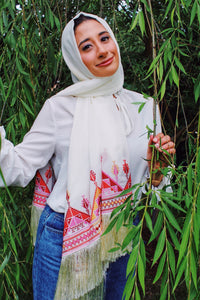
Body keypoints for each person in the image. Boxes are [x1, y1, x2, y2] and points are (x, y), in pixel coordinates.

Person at [0, 12, 175, 300]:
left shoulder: (144, 107)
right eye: (87, 46)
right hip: (65, 237)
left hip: (122, 237)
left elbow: (157, 194)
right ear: (74, 57)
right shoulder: (60, 108)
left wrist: (158, 175)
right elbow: (17, 169)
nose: (103, 50)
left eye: (104, 38)